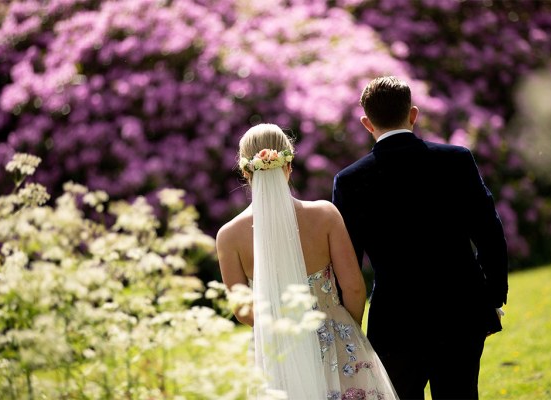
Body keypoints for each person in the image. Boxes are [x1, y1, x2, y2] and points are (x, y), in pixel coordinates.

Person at [332, 76, 509, 400]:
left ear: (366, 122)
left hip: (395, 319)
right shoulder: (456, 160)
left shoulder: (349, 181)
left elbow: (349, 261)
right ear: (413, 114)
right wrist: (492, 297)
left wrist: (347, 326)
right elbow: (489, 231)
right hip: (461, 309)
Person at [216, 123, 399, 399]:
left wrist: (280, 328)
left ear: (245, 171)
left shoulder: (228, 236)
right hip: (337, 339)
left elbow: (242, 310)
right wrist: (348, 331)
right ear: (289, 165)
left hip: (278, 350)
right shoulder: (325, 215)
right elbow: (353, 287)